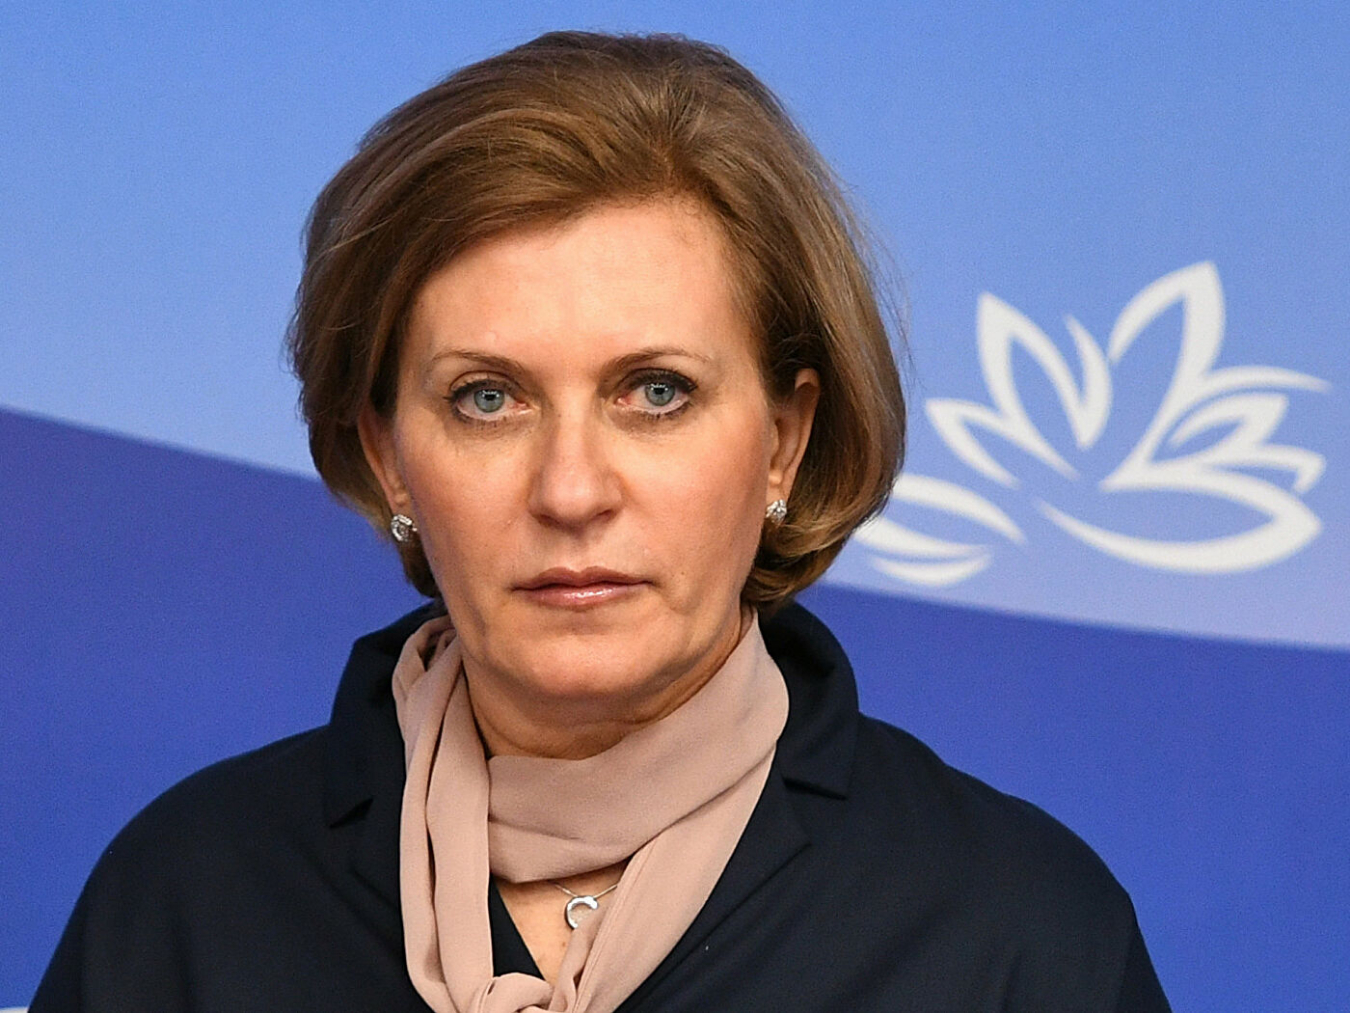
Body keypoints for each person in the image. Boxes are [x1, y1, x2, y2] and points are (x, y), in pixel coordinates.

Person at [31, 31, 1171, 1013]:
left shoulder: (1014, 930)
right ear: (386, 454)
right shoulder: (186, 900)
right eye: (488, 398)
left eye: (655, 392)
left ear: (783, 440)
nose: (571, 489)